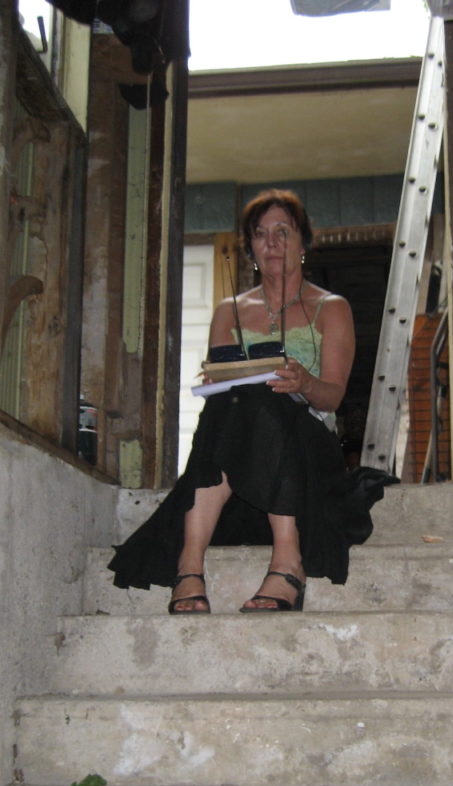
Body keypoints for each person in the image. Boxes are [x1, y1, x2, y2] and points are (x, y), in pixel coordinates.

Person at [109, 188, 395, 613]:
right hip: (239, 451)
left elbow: (333, 397)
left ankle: (287, 559)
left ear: (303, 243)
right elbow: (224, 387)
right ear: (250, 248)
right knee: (235, 399)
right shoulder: (231, 310)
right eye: (261, 234)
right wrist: (219, 378)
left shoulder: (331, 308)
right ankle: (190, 564)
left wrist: (302, 381)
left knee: (264, 397)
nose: (273, 243)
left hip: (306, 446)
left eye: (284, 232)